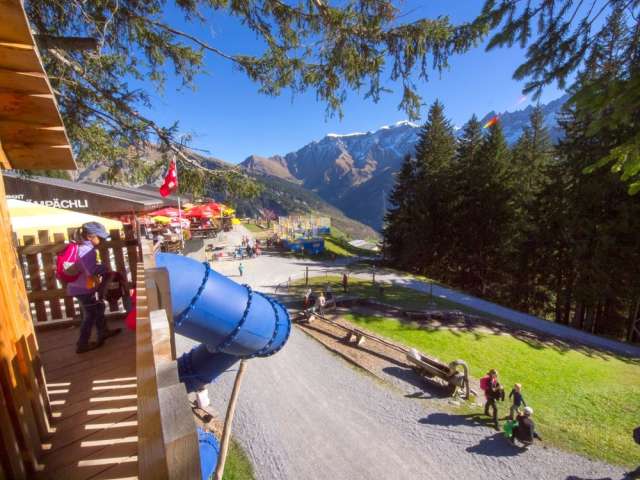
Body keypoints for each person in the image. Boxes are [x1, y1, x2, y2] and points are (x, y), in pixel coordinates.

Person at [67, 222, 121, 354]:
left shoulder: (80, 247)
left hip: (79, 286)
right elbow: (91, 271)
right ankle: (82, 343)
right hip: (84, 288)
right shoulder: (87, 250)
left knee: (99, 307)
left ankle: (103, 331)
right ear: (90, 236)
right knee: (90, 315)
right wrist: (104, 268)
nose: (101, 240)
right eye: (100, 237)